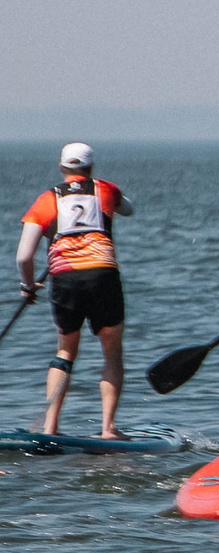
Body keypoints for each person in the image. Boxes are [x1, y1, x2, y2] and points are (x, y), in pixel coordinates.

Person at [16, 143, 136, 439]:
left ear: (61, 169)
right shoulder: (106, 190)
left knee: (66, 350)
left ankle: (50, 427)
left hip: (64, 279)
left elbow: (24, 257)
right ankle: (108, 428)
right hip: (102, 274)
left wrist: (28, 286)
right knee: (111, 351)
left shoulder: (46, 200)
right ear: (91, 168)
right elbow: (129, 209)